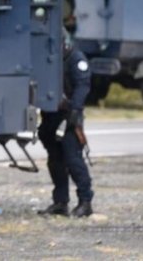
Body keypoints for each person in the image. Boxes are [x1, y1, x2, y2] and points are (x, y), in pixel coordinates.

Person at [37, 30, 94, 218]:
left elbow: (82, 85)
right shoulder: (48, 60)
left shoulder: (75, 58)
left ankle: (85, 202)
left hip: (68, 115)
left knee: (73, 160)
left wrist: (75, 110)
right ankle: (60, 202)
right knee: (55, 160)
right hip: (51, 114)